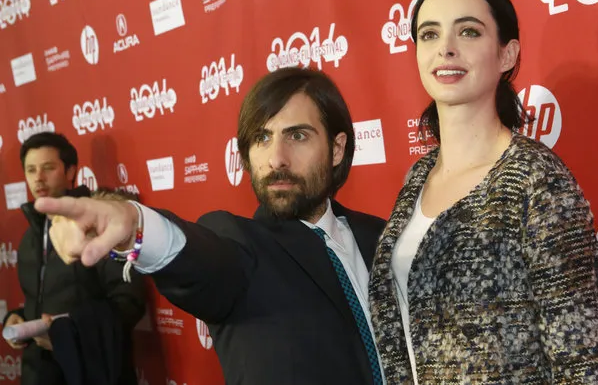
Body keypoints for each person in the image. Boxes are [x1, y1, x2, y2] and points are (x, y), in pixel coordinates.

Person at [36, 68, 386, 385]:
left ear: (337, 149)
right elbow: (197, 258)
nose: (276, 158)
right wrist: (136, 226)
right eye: (262, 139)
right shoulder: (239, 245)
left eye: (297, 136)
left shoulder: (384, 238)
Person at [368, 0, 598, 384]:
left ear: (507, 55)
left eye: (468, 32)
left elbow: (584, 361)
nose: (445, 49)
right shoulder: (417, 178)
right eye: (429, 35)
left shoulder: (537, 180)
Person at [1, 132, 146, 385]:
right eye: (31, 170)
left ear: (71, 172)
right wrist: (17, 318)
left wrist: (70, 336)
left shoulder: (99, 223)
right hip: (41, 374)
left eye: (48, 168)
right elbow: (48, 301)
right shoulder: (30, 236)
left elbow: (129, 302)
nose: (38, 178)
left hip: (92, 373)